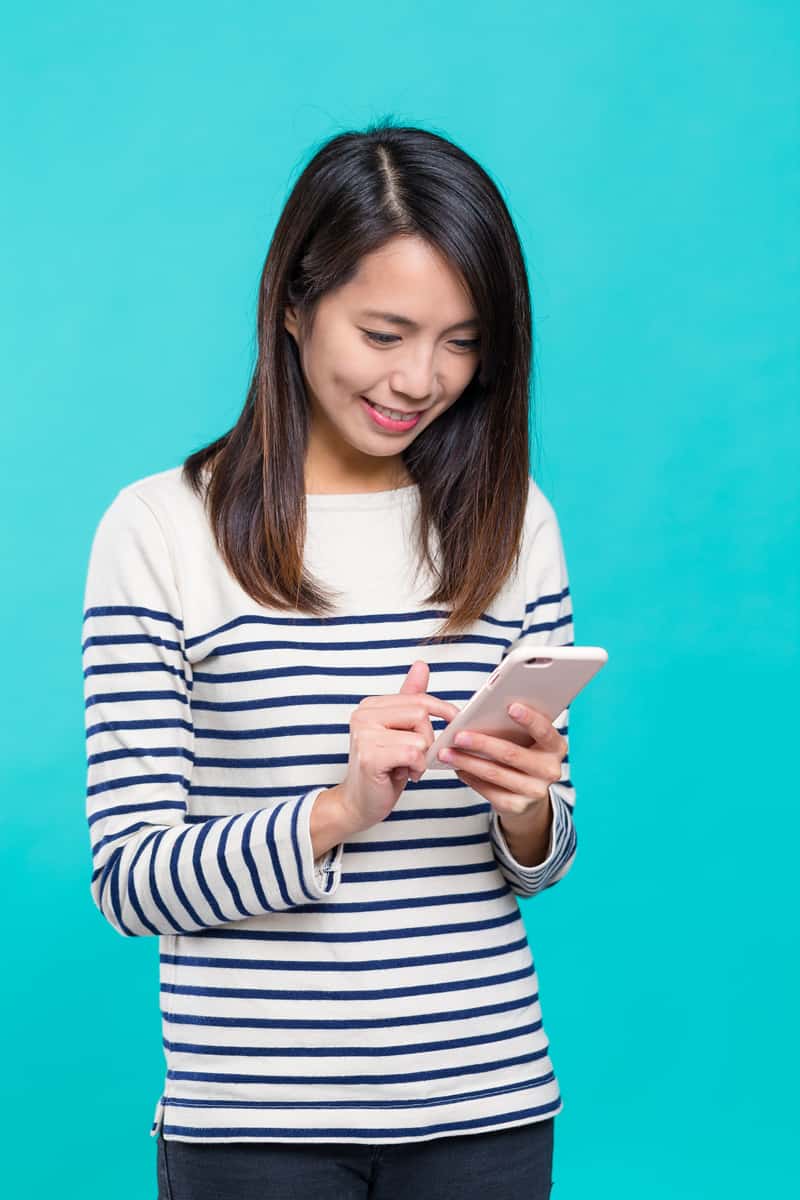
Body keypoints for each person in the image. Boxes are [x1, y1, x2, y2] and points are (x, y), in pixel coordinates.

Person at [81, 121, 578, 1200]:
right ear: (295, 307)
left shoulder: (514, 522)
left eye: (461, 340)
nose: (420, 378)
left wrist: (528, 807)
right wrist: (333, 811)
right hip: (253, 1124)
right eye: (386, 331)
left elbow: (540, 859)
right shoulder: (161, 528)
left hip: (483, 1103)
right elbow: (126, 880)